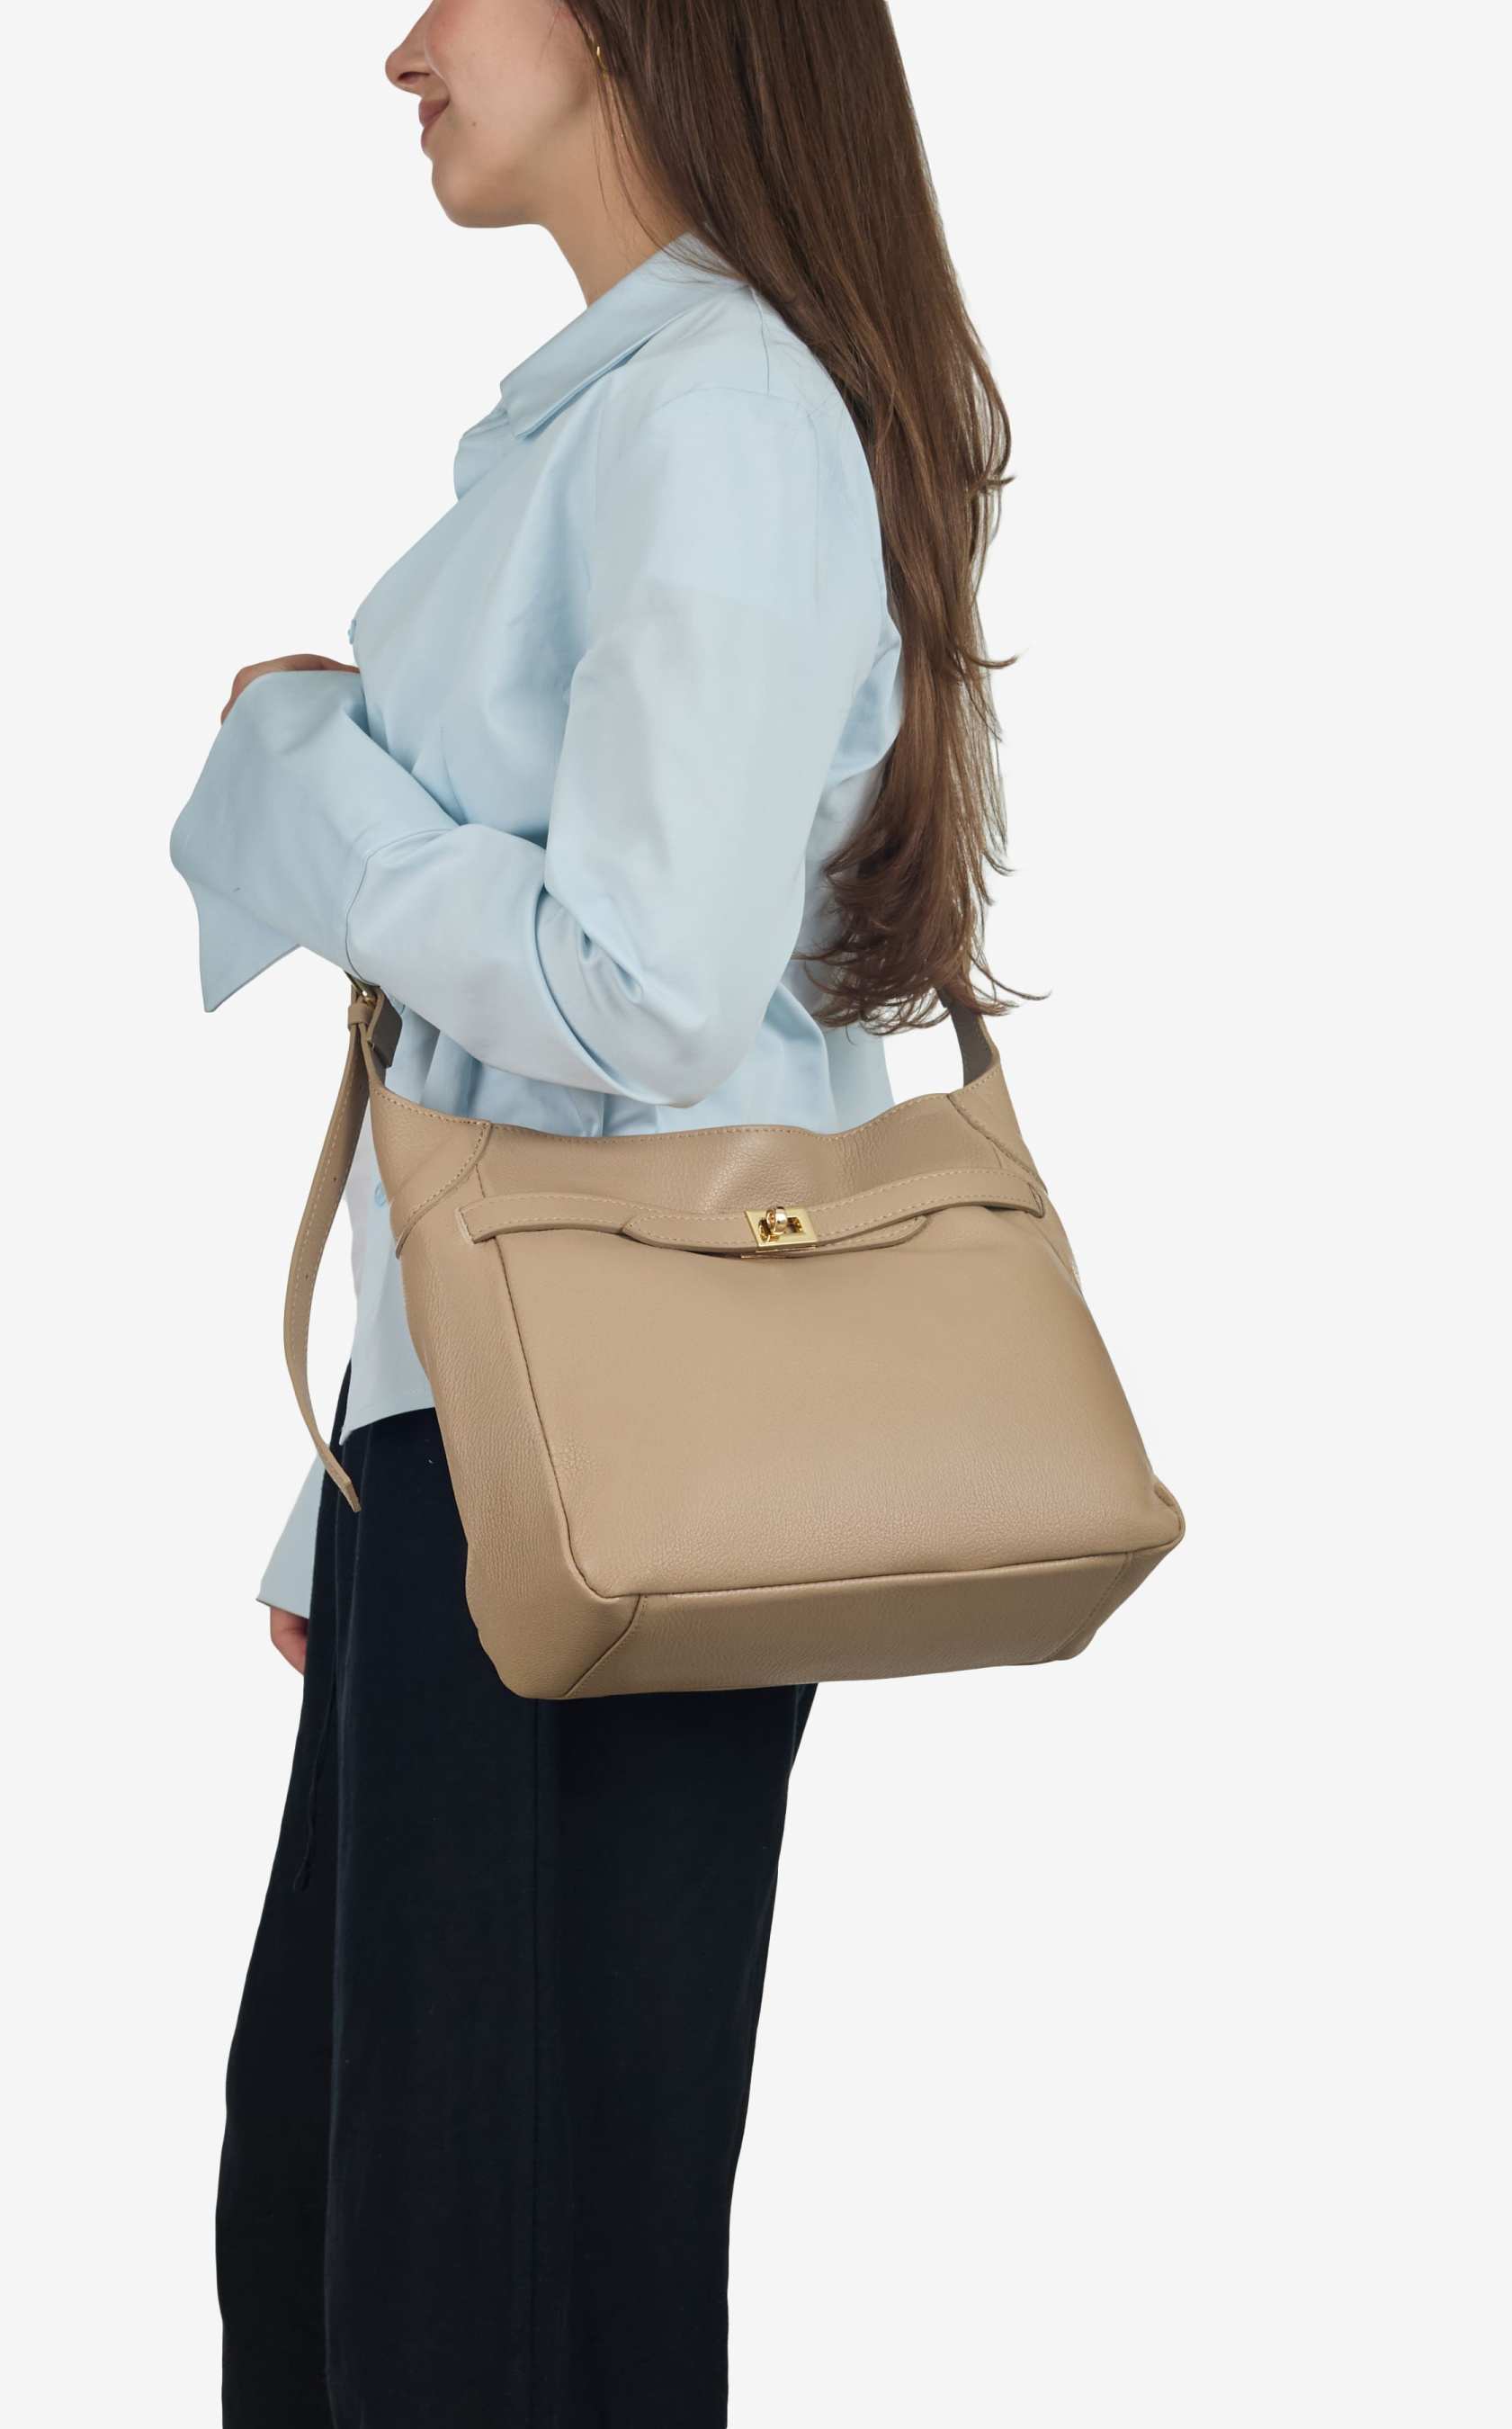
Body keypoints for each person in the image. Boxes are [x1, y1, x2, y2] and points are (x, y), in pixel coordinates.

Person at [170, 4, 1011, 2422]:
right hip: (522, 1449)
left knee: (469, 2266)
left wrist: (302, 767)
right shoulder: (659, 413)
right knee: (406, 2220)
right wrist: (361, 1485)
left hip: (593, 1456)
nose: (402, 48)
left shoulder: (715, 417)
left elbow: (639, 996)